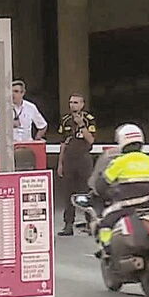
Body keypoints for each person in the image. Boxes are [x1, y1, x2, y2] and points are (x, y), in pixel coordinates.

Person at [93, 123, 149, 249]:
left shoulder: (118, 162)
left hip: (126, 207)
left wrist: (106, 193)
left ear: (122, 141)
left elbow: (102, 186)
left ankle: (107, 248)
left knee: (105, 223)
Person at [57, 93, 97, 236]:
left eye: (75, 102)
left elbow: (91, 140)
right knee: (68, 192)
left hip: (83, 159)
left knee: (86, 191)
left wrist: (81, 125)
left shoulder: (89, 119)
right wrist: (60, 163)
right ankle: (68, 225)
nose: (72, 105)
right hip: (69, 159)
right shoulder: (65, 120)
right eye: (71, 102)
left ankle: (90, 223)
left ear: (82, 104)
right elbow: (63, 143)